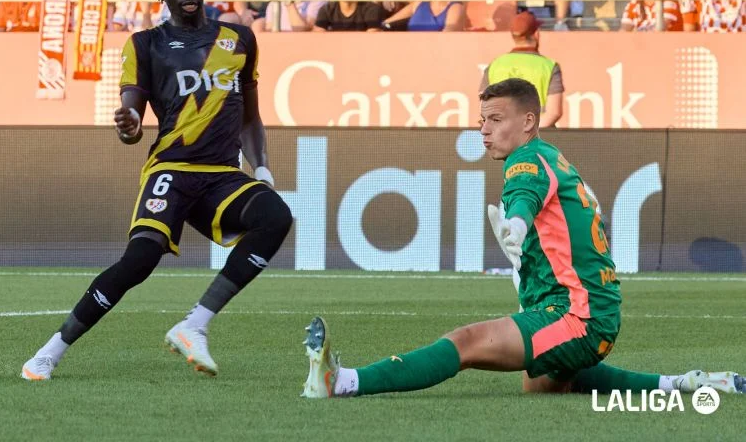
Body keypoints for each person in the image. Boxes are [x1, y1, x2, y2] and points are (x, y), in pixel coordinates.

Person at [302, 77, 745, 400]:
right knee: (544, 386)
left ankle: (343, 382)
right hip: (588, 309)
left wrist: (515, 227)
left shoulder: (526, 160)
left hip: (576, 313)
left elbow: (523, 198)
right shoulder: (551, 156)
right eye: (482, 120)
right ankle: (684, 383)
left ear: (529, 121)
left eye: (496, 119)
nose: (484, 129)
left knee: (466, 342)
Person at [21, 0, 292, 381]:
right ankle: (49, 352)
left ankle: (194, 325)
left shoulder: (240, 38)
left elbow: (249, 115)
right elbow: (131, 117)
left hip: (222, 175)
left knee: (275, 217)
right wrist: (129, 125)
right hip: (171, 170)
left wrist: (260, 168)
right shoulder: (146, 45)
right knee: (140, 260)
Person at [480, 12, 563, 127]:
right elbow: (554, 113)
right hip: (538, 135)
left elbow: (485, 109)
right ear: (536, 34)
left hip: (503, 135)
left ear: (513, 36)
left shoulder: (494, 65)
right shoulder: (549, 66)